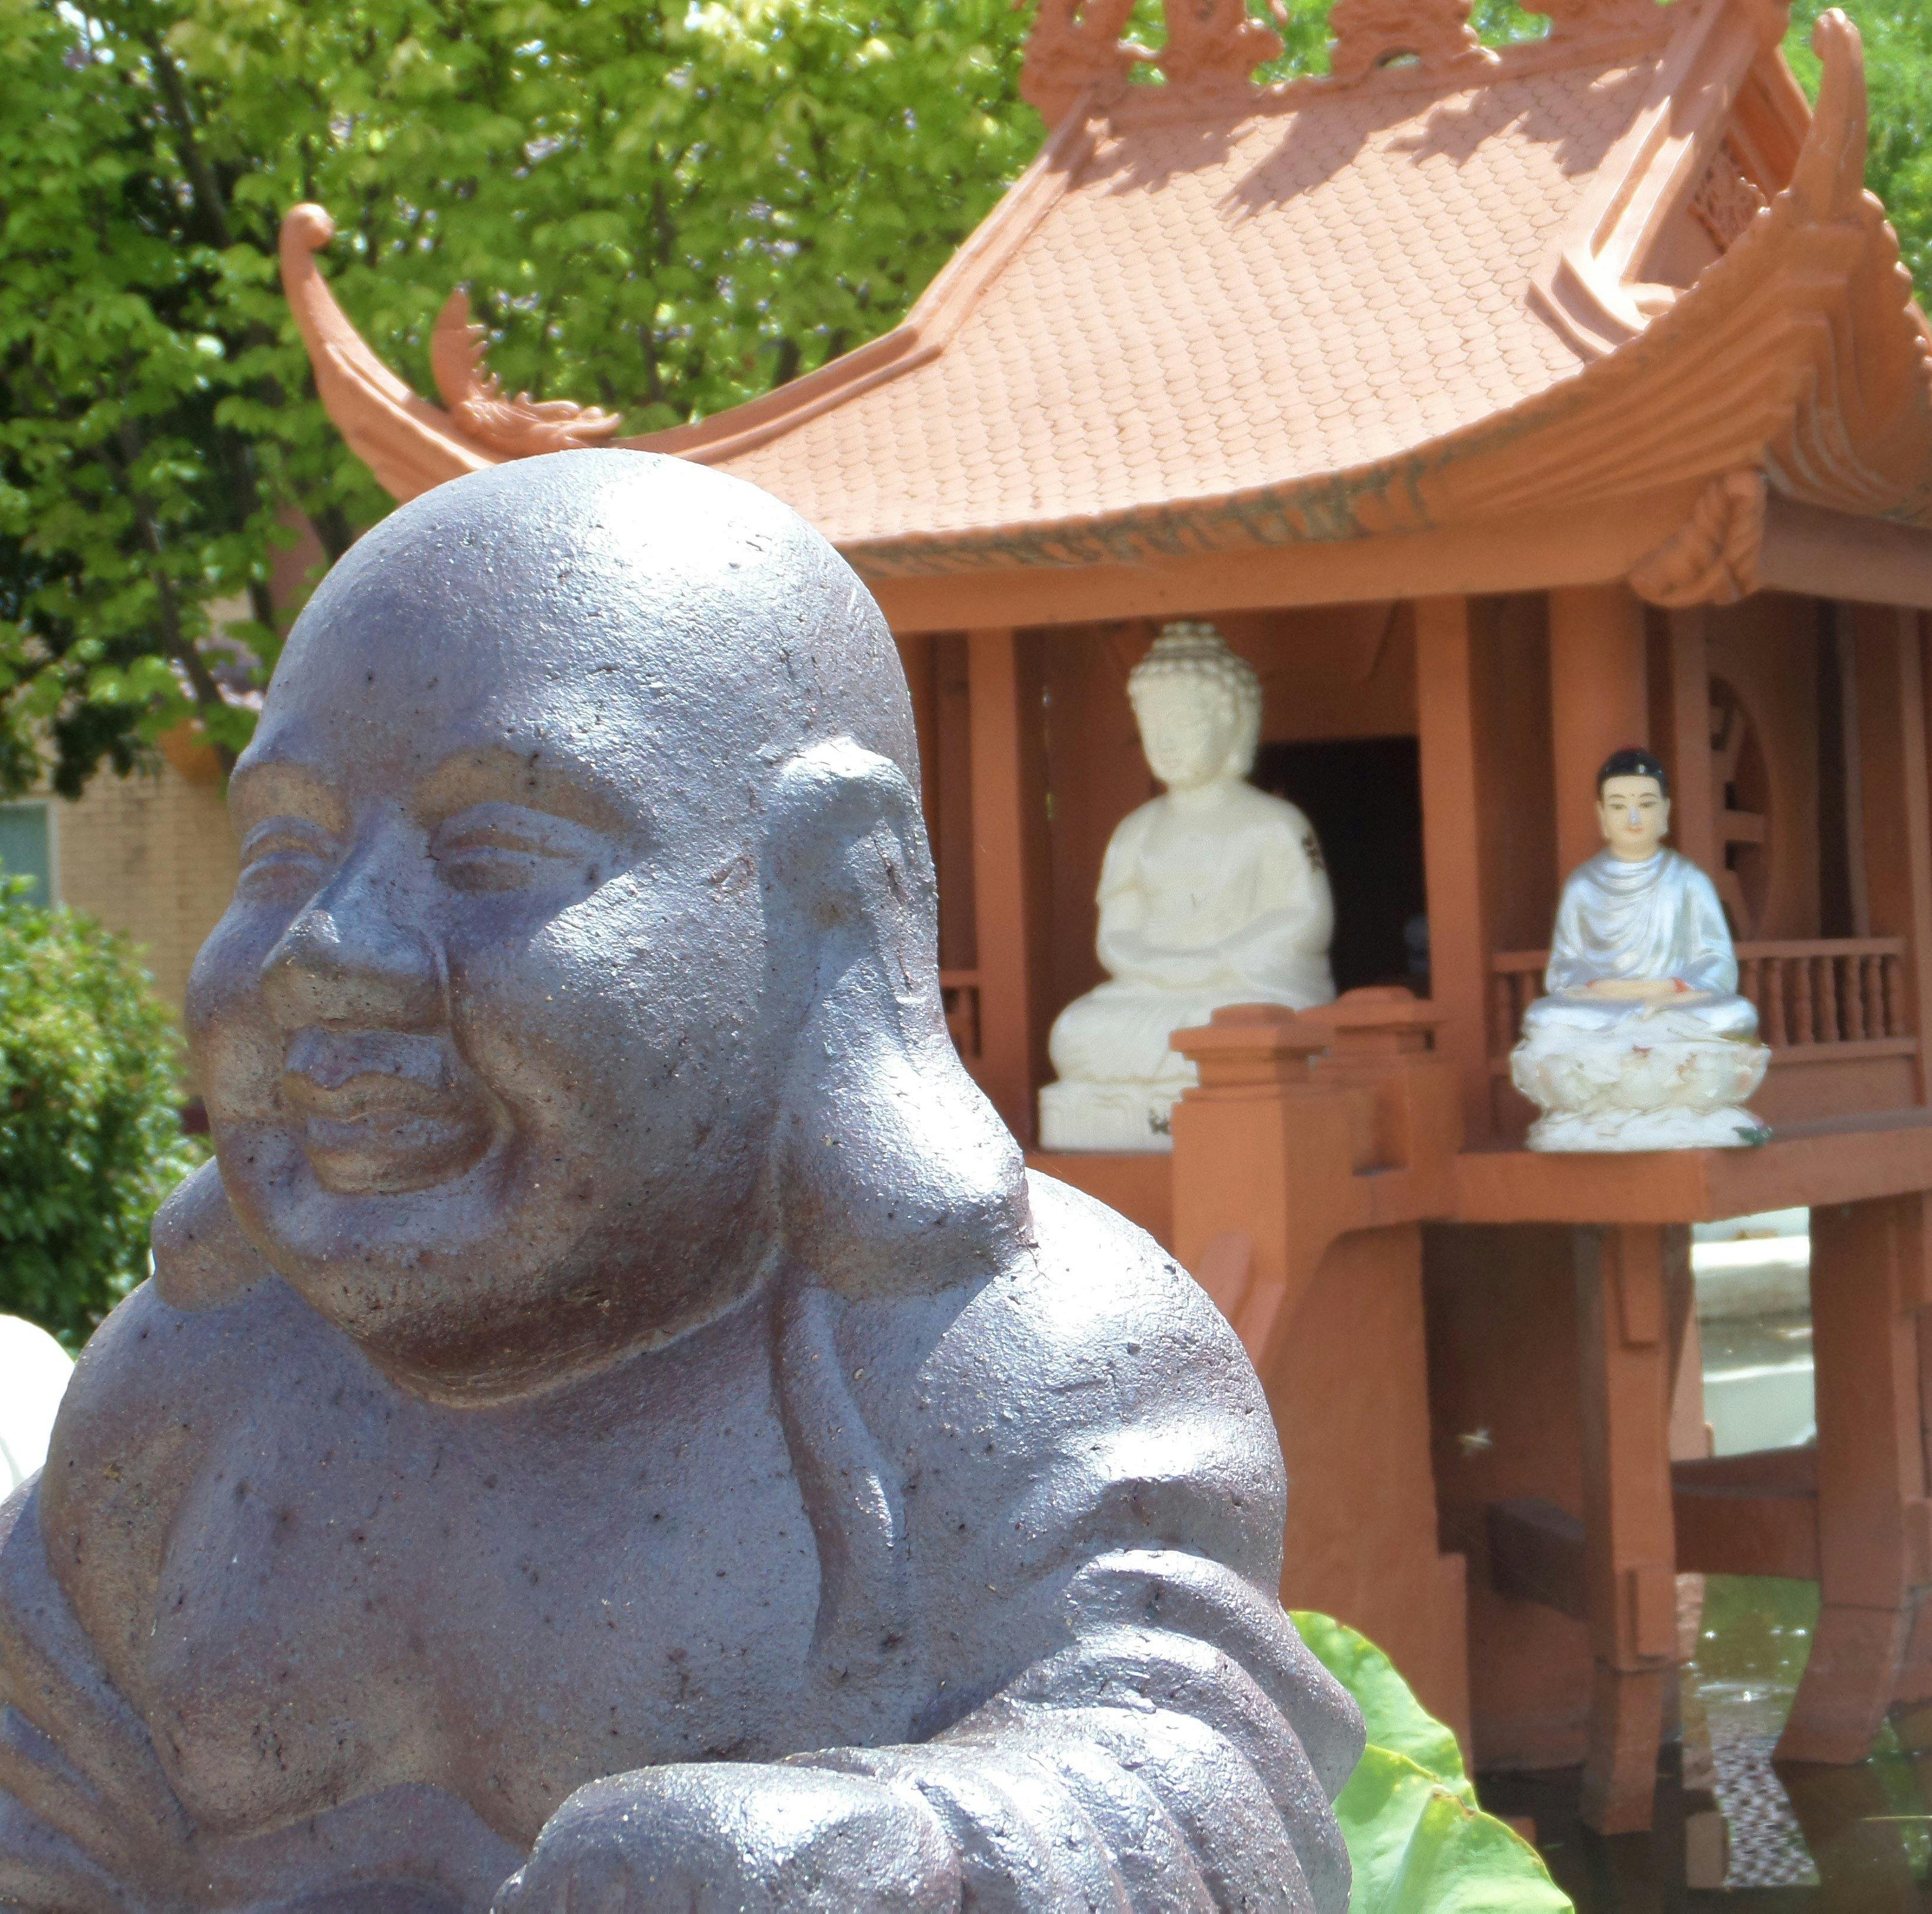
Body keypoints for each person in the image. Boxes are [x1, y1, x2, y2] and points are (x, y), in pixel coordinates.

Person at [0, 453, 1359, 1912]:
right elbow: (45, 1802)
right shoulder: (181, 1396)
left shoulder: (1010, 1363)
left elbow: (1194, 1781)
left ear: (833, 887)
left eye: (494, 846)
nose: (329, 944)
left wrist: (897, 1857)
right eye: (284, 848)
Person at [1040, 626, 1334, 1152]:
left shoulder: (1277, 823)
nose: (1166, 741)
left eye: (1185, 722)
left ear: (1234, 724)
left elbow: (1307, 917)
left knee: (1249, 1028)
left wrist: (1221, 958)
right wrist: (1161, 969)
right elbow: (1116, 936)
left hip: (1242, 987)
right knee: (1075, 1033)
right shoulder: (1136, 830)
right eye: (1153, 724)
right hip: (1155, 994)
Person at [1510, 747, 1768, 1151]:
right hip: (1606, 1009)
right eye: (1618, 806)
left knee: (1735, 1015)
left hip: (1674, 1008)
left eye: (1645, 805)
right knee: (1544, 1018)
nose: (1633, 819)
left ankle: (1641, 1094)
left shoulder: (1688, 880)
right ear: (1601, 815)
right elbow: (1563, 971)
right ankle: (1650, 1088)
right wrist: (1618, 993)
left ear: (1665, 811)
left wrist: (1668, 990)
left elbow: (1718, 963)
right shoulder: (1583, 885)